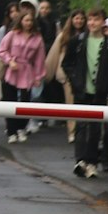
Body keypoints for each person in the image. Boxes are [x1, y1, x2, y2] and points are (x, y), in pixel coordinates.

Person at [0, 8, 46, 144]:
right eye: (26, 20)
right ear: (21, 21)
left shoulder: (37, 38)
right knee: (9, 101)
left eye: (30, 20)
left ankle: (21, 128)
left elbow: (39, 59)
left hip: (27, 71)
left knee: (25, 102)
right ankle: (11, 131)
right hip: (12, 70)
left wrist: (38, 76)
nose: (28, 23)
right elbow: (1, 50)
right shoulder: (12, 34)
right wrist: (9, 60)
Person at [45, 10, 88, 158]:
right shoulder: (63, 36)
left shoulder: (87, 36)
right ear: (72, 20)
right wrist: (47, 74)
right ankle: (72, 131)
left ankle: (82, 131)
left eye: (82, 18)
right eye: (76, 18)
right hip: (67, 75)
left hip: (84, 74)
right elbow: (53, 55)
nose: (79, 21)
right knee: (70, 104)